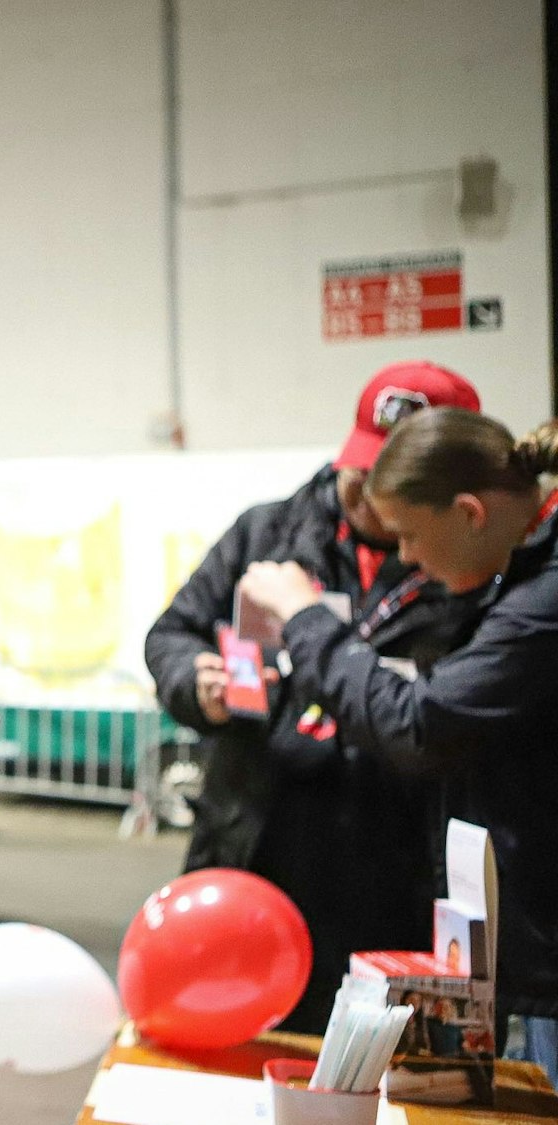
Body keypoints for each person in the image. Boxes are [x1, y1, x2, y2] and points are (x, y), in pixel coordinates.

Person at [147, 361, 482, 1033]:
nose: (364, 494)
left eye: (394, 482)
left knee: (377, 1060)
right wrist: (198, 683)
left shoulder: (470, 569)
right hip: (253, 837)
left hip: (398, 859)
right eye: (361, 467)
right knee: (231, 1033)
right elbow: (172, 633)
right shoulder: (265, 533)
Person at [240, 407, 558, 1081]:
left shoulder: (541, 600)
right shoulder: (522, 574)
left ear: (470, 512)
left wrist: (303, 619)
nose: (406, 556)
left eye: (411, 534)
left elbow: (419, 726)